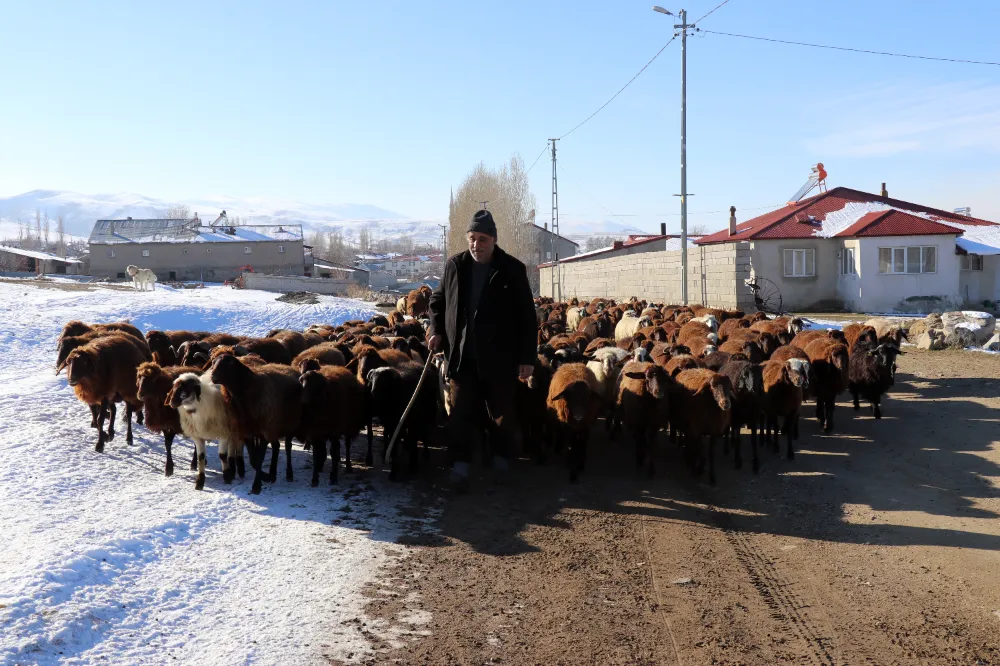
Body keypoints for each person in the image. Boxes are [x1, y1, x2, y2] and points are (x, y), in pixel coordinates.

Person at [428, 209, 537, 490]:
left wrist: (527, 358)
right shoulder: (455, 266)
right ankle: (460, 467)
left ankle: (501, 462)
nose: (477, 244)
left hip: (500, 357)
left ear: (494, 239)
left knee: (501, 413)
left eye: (483, 239)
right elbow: (437, 302)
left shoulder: (512, 269)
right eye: (472, 238)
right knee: (461, 413)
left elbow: (526, 315)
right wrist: (436, 330)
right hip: (463, 356)